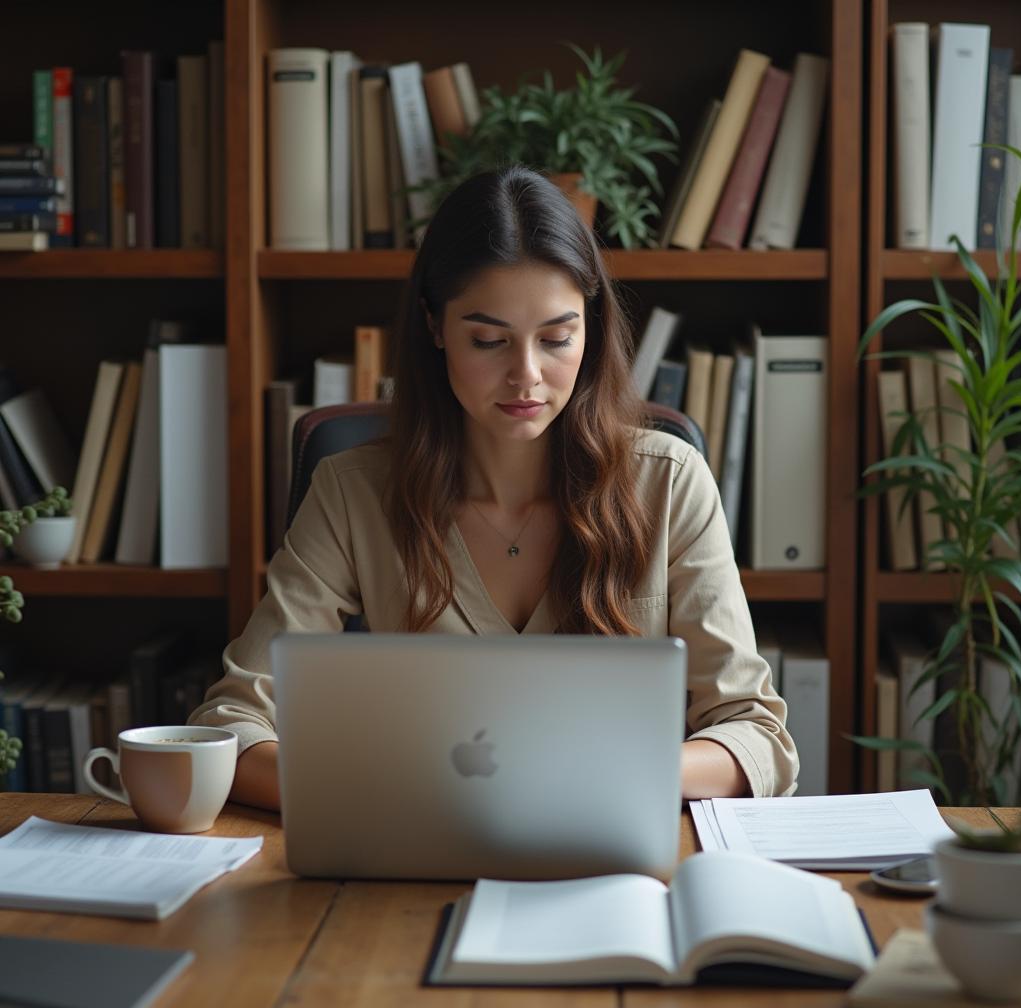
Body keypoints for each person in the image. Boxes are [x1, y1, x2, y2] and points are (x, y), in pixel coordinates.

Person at [188, 165, 798, 810]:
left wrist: (612, 776)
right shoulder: (353, 491)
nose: (526, 376)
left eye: (557, 338)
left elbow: (758, 737)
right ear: (434, 328)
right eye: (488, 340)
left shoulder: (668, 484)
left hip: (613, 860)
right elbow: (229, 724)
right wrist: (374, 791)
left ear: (590, 331)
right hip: (410, 857)